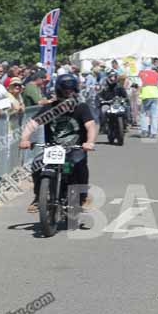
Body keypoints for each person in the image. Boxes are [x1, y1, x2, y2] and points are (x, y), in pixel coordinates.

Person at [19, 73, 97, 212]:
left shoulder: (81, 107)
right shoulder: (50, 108)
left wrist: (89, 142)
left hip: (75, 148)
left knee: (80, 165)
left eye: (71, 90)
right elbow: (32, 124)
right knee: (37, 165)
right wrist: (24, 139)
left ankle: (83, 196)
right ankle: (39, 197)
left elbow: (90, 126)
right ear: (59, 91)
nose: (68, 94)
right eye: (66, 91)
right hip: (53, 149)